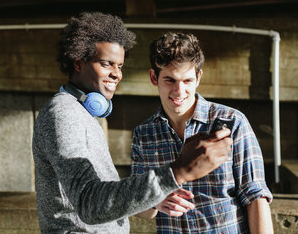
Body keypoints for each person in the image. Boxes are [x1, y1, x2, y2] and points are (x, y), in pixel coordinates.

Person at [32, 12, 233, 233]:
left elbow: (105, 197)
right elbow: (89, 204)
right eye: (107, 64)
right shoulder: (63, 114)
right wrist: (177, 172)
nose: (116, 74)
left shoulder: (84, 115)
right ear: (78, 62)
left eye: (120, 66)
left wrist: (155, 197)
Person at [131, 32, 274, 234]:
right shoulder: (144, 134)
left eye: (187, 80)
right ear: (154, 77)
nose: (179, 91)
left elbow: (255, 195)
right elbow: (138, 207)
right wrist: (156, 201)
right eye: (170, 80)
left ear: (198, 77)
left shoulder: (231, 123)